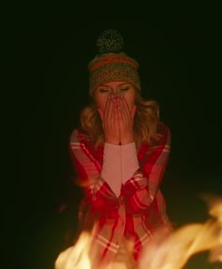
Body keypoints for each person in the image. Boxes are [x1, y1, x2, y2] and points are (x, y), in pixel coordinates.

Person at [68, 29, 173, 268]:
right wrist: (115, 144)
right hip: (100, 249)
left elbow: (141, 202)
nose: (115, 99)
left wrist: (124, 140)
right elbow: (104, 204)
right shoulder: (80, 139)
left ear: (136, 94)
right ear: (95, 99)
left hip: (152, 247)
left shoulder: (159, 134)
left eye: (124, 89)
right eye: (105, 91)